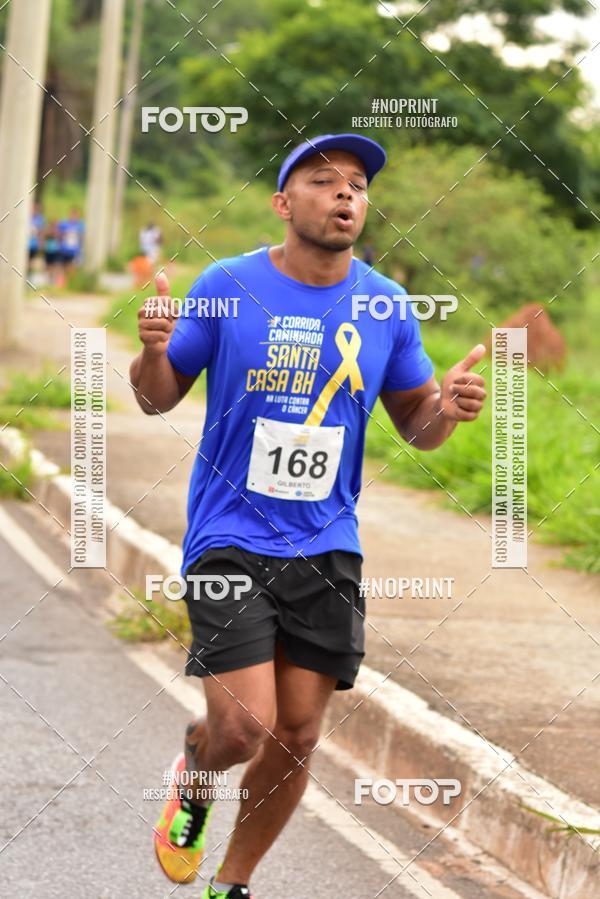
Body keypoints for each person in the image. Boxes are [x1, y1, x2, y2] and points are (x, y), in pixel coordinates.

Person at [130, 133, 487, 899]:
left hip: (327, 544)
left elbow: (415, 426)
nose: (346, 194)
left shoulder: (385, 303)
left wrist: (447, 410)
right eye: (325, 181)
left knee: (295, 735)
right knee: (240, 729)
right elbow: (156, 395)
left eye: (357, 184)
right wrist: (152, 350)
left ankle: (233, 882)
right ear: (284, 203)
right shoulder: (226, 284)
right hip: (228, 536)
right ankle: (197, 769)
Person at [58, 207, 84, 277]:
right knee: (63, 266)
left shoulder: (80, 225)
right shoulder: (64, 224)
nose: (74, 217)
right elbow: (59, 234)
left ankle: (71, 280)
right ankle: (63, 281)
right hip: (65, 249)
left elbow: (82, 237)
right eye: (72, 215)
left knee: (72, 267)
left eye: (76, 215)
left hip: (75, 250)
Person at [28, 202, 45, 271]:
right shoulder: (27, 217)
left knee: (31, 260)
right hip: (26, 243)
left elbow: (41, 232)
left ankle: (28, 273)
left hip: (34, 243)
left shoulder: (40, 219)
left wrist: (41, 243)